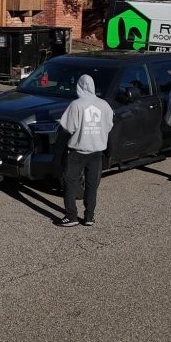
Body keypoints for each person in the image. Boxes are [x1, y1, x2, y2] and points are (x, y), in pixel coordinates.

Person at [57, 74, 114, 227]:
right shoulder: (104, 105)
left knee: (70, 181)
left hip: (78, 150)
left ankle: (71, 216)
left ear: (79, 86)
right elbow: (109, 126)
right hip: (97, 151)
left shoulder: (76, 104)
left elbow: (68, 127)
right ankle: (89, 216)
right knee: (91, 184)